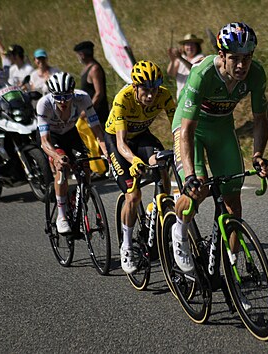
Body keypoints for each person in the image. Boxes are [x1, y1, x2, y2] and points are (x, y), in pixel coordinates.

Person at [171, 22, 268, 272]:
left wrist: (258, 155)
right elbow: (187, 130)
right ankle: (179, 231)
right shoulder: (203, 73)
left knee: (233, 202)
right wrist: (191, 175)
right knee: (198, 188)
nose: (241, 66)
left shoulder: (256, 74)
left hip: (222, 128)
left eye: (246, 58)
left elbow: (260, 119)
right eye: (234, 59)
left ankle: (231, 268)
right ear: (221, 56)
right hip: (191, 128)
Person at [105, 60, 175, 274]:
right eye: (145, 89)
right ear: (135, 87)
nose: (151, 95)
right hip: (119, 142)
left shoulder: (164, 94)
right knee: (133, 196)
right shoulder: (123, 99)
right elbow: (121, 143)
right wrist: (134, 160)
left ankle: (158, 207)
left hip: (143, 137)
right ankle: (126, 245)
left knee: (162, 164)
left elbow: (178, 125)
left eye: (154, 89)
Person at [36, 72, 107, 234]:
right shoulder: (44, 104)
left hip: (70, 133)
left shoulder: (82, 98)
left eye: (67, 96)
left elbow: (96, 128)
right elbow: (44, 142)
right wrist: (56, 157)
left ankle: (76, 200)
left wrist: (106, 152)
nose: (63, 101)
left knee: (85, 168)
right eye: (58, 97)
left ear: (73, 93)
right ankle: (61, 216)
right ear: (51, 94)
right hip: (52, 137)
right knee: (62, 170)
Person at [73, 41, 109, 126]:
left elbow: (99, 93)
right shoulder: (87, 68)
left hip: (98, 115)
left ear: (82, 54)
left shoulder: (94, 69)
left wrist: (88, 110)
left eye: (78, 55)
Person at [166, 33, 205, 99]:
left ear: (197, 46)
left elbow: (195, 70)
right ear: (183, 47)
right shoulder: (180, 59)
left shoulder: (201, 57)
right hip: (181, 97)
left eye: (192, 44)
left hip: (194, 98)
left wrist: (180, 58)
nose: (190, 47)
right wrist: (172, 60)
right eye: (187, 44)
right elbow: (171, 73)